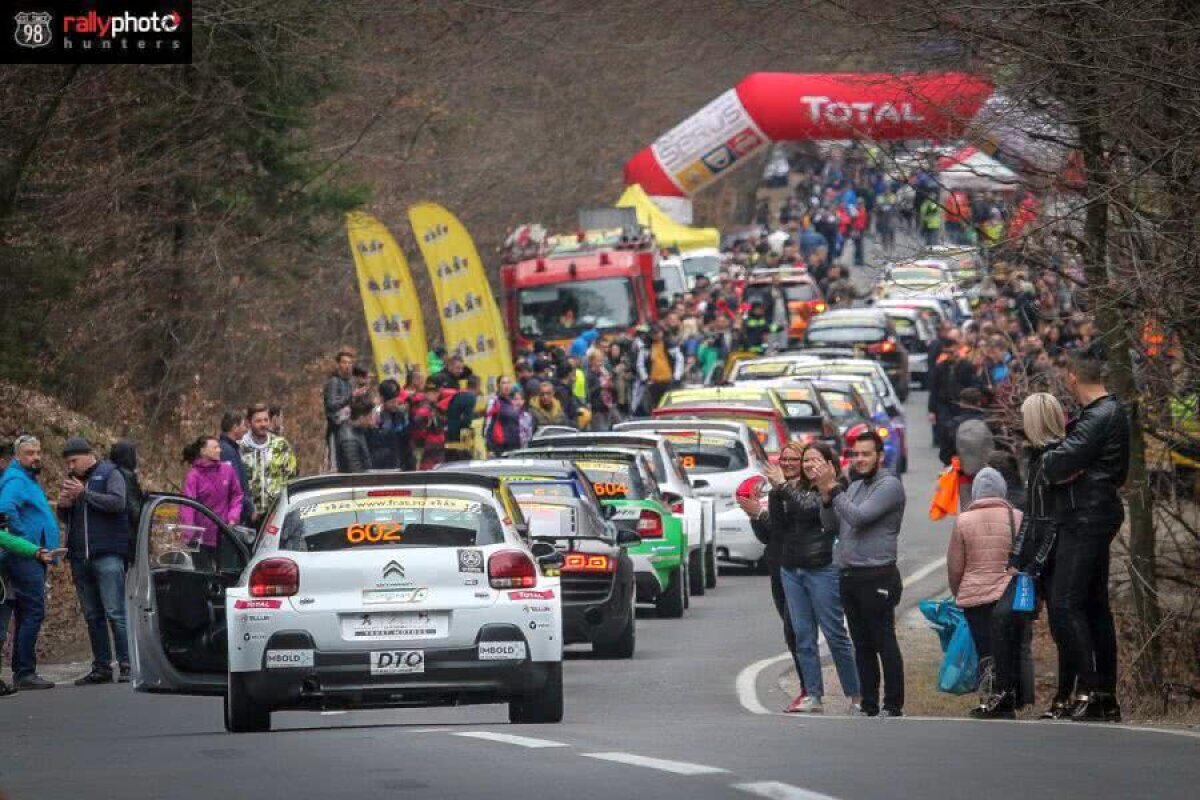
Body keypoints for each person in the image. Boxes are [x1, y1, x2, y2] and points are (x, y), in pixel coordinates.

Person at [1040, 352, 1130, 722]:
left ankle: (1092, 690)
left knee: (1064, 602)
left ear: (1073, 377)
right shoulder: (1109, 414)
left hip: (1086, 517)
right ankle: (1103, 693)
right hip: (1093, 513)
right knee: (1093, 605)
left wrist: (1050, 459)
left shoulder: (1099, 416)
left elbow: (1058, 463)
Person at [975, 393, 1064, 719]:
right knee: (1004, 619)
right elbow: (1031, 516)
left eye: (1026, 417)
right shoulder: (1035, 458)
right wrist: (1016, 559)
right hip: (1029, 561)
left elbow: (1052, 518)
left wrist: (1036, 563)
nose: (1020, 424)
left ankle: (1068, 695)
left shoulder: (1054, 459)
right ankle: (1005, 694)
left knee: (1063, 625)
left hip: (1051, 559)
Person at [811, 431, 907, 717]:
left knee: (883, 639)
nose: (860, 460)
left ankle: (893, 704)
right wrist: (826, 496)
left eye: (866, 454)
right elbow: (831, 525)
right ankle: (868, 702)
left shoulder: (889, 486)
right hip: (850, 573)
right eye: (855, 455)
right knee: (861, 643)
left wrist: (835, 490)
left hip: (877, 572)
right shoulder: (852, 487)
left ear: (880, 455)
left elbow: (859, 517)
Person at [772, 442, 861, 713]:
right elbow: (779, 526)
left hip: (822, 567)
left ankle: (856, 694)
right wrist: (777, 493)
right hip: (791, 567)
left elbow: (811, 510)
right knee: (802, 634)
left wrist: (783, 487)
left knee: (835, 633)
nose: (809, 466)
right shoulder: (792, 488)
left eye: (815, 460)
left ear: (828, 463)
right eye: (806, 461)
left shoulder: (835, 487)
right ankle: (812, 694)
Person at [947, 467, 1023, 715]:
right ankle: (1011, 696)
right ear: (1002, 490)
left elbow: (956, 566)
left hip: (975, 596)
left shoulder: (963, 521)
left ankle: (991, 698)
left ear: (976, 492)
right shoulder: (1017, 517)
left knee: (985, 651)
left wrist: (958, 592)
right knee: (1011, 647)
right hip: (1010, 594)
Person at [57, 437, 131, 686]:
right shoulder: (73, 481)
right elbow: (67, 517)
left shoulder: (110, 473)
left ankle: (127, 664)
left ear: (89, 455)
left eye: (74, 460)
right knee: (92, 615)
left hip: (107, 553)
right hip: (80, 555)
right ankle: (101, 666)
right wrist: (64, 505)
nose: (71, 466)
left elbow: (118, 503)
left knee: (115, 612)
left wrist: (85, 493)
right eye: (67, 462)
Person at [0, 436, 60, 691]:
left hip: (33, 554)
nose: (36, 457)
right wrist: (26, 541)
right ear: (17, 456)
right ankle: (24, 671)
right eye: (29, 453)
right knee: (34, 610)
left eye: (38, 451)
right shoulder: (16, 480)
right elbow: (5, 509)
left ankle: (23, 670)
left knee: (26, 611)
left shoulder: (28, 479)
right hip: (25, 556)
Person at [180, 436, 245, 547]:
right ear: (203, 451)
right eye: (215, 448)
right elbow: (187, 507)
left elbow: (237, 496)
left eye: (218, 447)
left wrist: (233, 517)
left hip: (225, 535)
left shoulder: (227, 470)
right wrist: (187, 535)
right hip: (201, 539)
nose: (219, 450)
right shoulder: (193, 476)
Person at [240, 404, 299, 524]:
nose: (263, 424)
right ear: (249, 423)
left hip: (278, 514)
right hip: (249, 516)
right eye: (258, 421)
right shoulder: (240, 447)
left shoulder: (281, 445)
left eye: (265, 420)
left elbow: (292, 477)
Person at [322, 349, 362, 471]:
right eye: (344, 362)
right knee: (337, 464)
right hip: (336, 428)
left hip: (349, 427)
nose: (347, 366)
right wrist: (350, 397)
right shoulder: (334, 382)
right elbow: (331, 405)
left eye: (350, 363)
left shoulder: (349, 383)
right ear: (338, 364)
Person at [218, 410, 253, 524]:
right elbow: (234, 484)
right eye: (243, 425)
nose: (246, 430)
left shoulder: (231, 449)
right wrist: (248, 507)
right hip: (234, 515)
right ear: (235, 427)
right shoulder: (227, 451)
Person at [109, 440, 145, 537]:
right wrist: (144, 521)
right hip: (127, 532)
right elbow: (132, 506)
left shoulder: (110, 471)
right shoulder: (126, 475)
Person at [408, 381, 447, 469]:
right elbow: (417, 424)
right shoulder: (423, 407)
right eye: (432, 392)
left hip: (435, 449)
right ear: (426, 393)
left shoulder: (434, 407)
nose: (436, 395)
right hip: (426, 450)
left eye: (436, 392)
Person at [483, 376, 523, 453]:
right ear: (498, 385)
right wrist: (490, 447)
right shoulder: (494, 401)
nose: (506, 386)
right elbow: (487, 425)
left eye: (508, 383)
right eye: (503, 383)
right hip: (500, 448)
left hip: (515, 446)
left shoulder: (512, 402)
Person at [335, 401, 375, 473]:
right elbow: (354, 470)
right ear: (361, 418)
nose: (371, 421)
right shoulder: (349, 439)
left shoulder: (359, 431)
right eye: (370, 417)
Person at [445, 375, 479, 451]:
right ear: (477, 386)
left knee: (452, 455)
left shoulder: (459, 394)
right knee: (465, 458)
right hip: (460, 434)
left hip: (449, 432)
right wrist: (469, 440)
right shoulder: (471, 397)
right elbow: (467, 420)